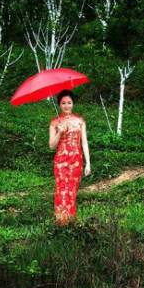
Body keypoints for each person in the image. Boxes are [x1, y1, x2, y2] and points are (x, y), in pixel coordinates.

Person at [47, 90, 91, 225]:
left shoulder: (80, 121)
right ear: (59, 105)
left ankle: (70, 222)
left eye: (69, 103)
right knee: (61, 191)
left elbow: (84, 142)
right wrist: (59, 132)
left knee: (72, 192)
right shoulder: (55, 122)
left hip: (76, 161)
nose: (66, 106)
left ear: (73, 104)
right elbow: (51, 146)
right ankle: (60, 223)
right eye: (63, 103)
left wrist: (88, 163)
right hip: (60, 161)